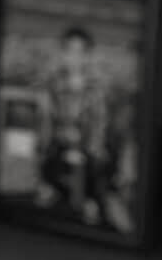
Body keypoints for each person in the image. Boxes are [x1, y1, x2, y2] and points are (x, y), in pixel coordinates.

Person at [38, 25, 111, 222]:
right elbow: (46, 121)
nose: (75, 57)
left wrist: (87, 150)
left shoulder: (96, 88)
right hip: (57, 147)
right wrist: (57, 143)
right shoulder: (52, 84)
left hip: (87, 152)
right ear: (63, 53)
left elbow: (99, 125)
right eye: (70, 51)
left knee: (92, 186)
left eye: (80, 52)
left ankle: (89, 201)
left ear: (88, 55)